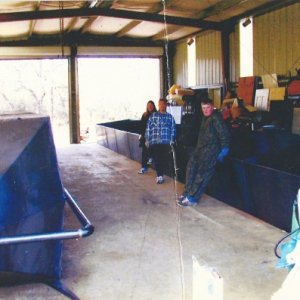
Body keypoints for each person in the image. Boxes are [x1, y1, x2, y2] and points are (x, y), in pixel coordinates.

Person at [178, 98, 230, 206]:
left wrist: (224, 149)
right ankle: (187, 192)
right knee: (190, 168)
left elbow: (224, 134)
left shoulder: (216, 118)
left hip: (211, 152)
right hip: (200, 149)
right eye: (203, 108)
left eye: (208, 108)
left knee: (202, 175)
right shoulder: (205, 118)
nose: (205, 110)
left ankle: (192, 198)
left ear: (212, 107)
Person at [145, 98, 176, 184]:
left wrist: (172, 139)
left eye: (163, 104)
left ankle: (160, 174)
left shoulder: (170, 117)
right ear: (158, 105)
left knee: (162, 159)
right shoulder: (153, 116)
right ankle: (160, 176)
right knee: (158, 158)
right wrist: (147, 139)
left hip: (166, 142)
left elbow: (173, 129)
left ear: (166, 105)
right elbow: (148, 128)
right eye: (160, 104)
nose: (162, 106)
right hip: (155, 142)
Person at [138, 100, 157, 174]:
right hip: (146, 137)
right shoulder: (144, 115)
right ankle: (144, 168)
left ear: (154, 106)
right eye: (148, 105)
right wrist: (142, 135)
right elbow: (142, 126)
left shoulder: (157, 115)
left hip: (154, 137)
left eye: (151, 105)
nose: (150, 107)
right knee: (144, 153)